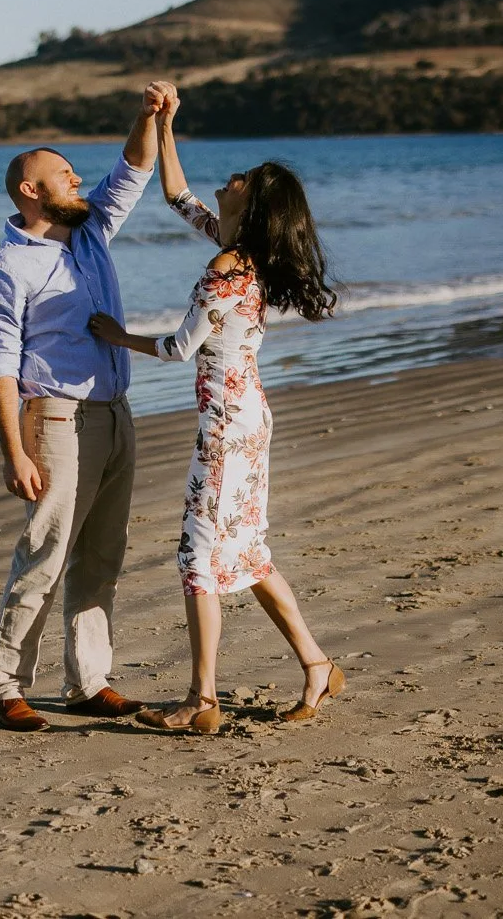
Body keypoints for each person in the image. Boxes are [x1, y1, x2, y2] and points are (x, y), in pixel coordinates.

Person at [87, 91, 342, 733]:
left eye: (242, 181)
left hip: (227, 429)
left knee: (199, 557)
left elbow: (178, 348)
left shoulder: (224, 271)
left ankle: (202, 700)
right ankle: (317, 664)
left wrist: (117, 338)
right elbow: (178, 197)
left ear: (249, 206)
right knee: (248, 552)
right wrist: (167, 126)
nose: (229, 179)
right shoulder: (239, 249)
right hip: (248, 416)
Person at [0, 82, 175, 733]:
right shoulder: (7, 268)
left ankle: (89, 683)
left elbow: (134, 170)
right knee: (47, 553)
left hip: (117, 413)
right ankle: (3, 688)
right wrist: (14, 453)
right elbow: (0, 366)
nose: (79, 179)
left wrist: (148, 117)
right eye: (64, 174)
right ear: (32, 190)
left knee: (102, 556)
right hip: (56, 420)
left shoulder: (90, 236)